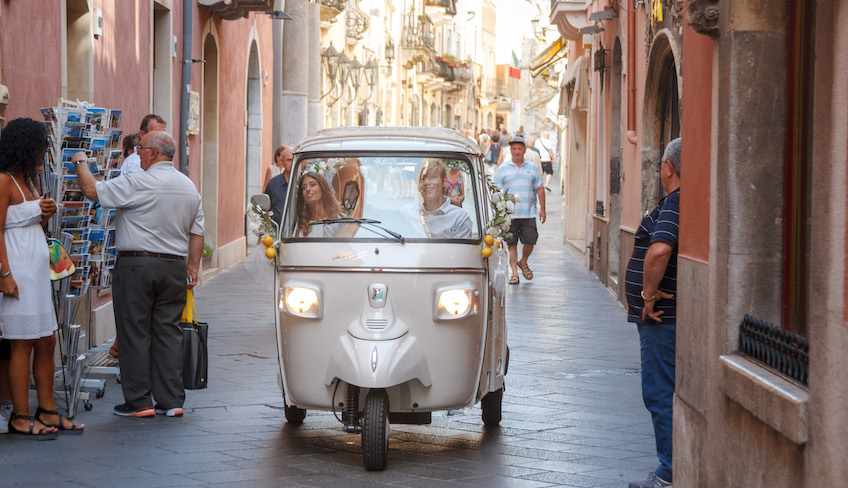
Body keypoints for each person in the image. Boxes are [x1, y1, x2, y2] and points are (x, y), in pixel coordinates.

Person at [74, 130, 204, 419]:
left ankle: (139, 402)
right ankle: (171, 401)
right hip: (174, 267)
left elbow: (92, 191)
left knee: (134, 331)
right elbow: (197, 231)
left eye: (141, 149)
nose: (137, 154)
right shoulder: (188, 187)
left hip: (137, 266)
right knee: (168, 332)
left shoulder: (138, 181)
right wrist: (192, 268)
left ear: (154, 153)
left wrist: (80, 160)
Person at [0, 118, 81, 438]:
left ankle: (46, 411)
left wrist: (44, 212)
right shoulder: (4, 181)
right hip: (16, 271)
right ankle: (20, 417)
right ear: (24, 146)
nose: (44, 151)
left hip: (35, 273)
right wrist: (4, 274)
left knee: (46, 339)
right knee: (22, 342)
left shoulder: (29, 181)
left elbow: (29, 221)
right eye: (40, 145)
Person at [624, 138, 681, 488]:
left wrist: (646, 297)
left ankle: (668, 473)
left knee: (659, 393)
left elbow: (659, 251)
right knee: (660, 392)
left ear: (668, 167)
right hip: (665, 317)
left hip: (662, 319)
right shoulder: (676, 202)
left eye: (661, 163)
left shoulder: (675, 203)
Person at [111, 113, 167, 358]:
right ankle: (125, 351)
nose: (162, 139)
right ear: (142, 136)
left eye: (164, 134)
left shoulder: (157, 164)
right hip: (141, 249)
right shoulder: (136, 163)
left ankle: (122, 348)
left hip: (149, 249)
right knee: (138, 314)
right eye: (156, 133)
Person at [493, 135, 545, 284]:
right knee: (512, 244)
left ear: (524, 150)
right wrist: (497, 210)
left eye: (519, 149)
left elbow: (540, 189)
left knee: (530, 241)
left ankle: (523, 261)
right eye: (514, 148)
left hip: (528, 213)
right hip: (510, 214)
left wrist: (543, 210)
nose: (517, 152)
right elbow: (495, 190)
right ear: (510, 150)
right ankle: (514, 273)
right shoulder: (503, 168)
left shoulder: (532, 168)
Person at [403, 159, 472, 239]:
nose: (426, 182)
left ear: (444, 181)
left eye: (432, 177)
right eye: (422, 178)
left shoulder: (459, 218)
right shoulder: (407, 213)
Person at [294, 172, 346, 237]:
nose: (308, 189)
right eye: (304, 188)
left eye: (312, 185)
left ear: (322, 188)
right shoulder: (302, 224)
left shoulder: (339, 218)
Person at [263, 146, 292, 226]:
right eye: (289, 160)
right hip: (277, 231)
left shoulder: (304, 183)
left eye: (294, 160)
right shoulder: (273, 183)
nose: (292, 163)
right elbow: (264, 210)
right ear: (282, 161)